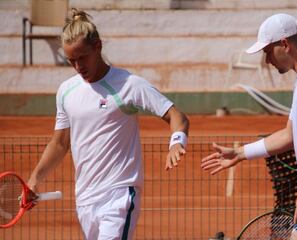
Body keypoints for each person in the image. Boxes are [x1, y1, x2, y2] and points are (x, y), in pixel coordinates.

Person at [27, 9, 189, 240]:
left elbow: (177, 116)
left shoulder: (128, 84)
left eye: (82, 57)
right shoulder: (66, 91)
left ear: (98, 47)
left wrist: (176, 141)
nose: (77, 66)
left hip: (120, 194)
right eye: (71, 60)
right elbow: (60, 143)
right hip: (84, 199)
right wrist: (34, 180)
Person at [201, 13, 297, 239]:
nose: (267, 60)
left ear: (284, 44)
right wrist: (239, 153)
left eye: (267, 51)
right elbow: (289, 135)